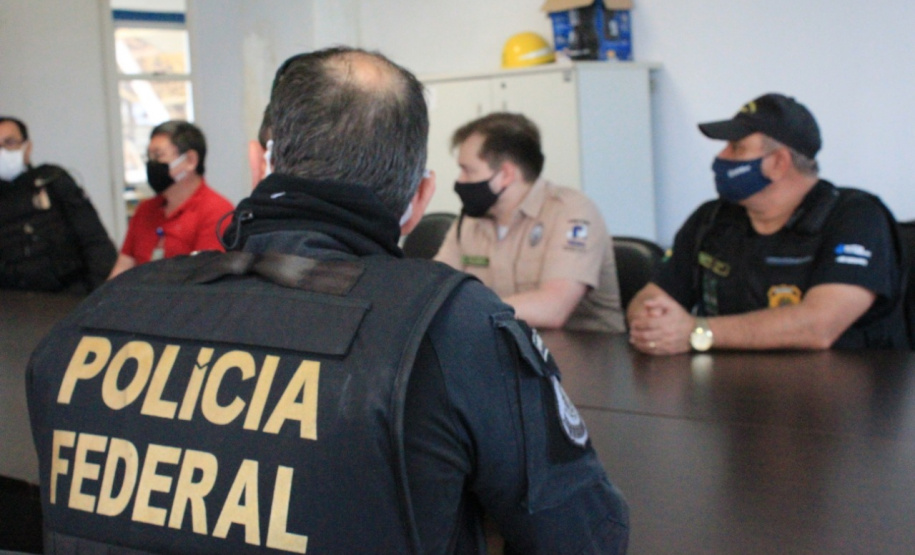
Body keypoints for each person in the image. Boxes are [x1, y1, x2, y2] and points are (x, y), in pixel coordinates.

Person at [27, 47, 629, 554]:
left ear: (259, 162)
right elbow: (588, 536)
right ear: (418, 201)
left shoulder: (100, 313)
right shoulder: (449, 326)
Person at [627, 92, 907, 355]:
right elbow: (653, 295)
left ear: (778, 163)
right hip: (726, 392)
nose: (721, 157)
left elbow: (819, 326)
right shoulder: (711, 218)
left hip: (847, 398)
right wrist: (651, 320)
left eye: (736, 147)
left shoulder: (856, 217)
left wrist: (697, 331)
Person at [434, 113, 625, 333]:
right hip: (508, 349)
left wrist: (468, 312)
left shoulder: (571, 211)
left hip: (586, 354)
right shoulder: (470, 221)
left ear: (505, 174)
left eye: (468, 170)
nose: (460, 180)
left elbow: (553, 308)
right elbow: (439, 289)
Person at [0, 116, 117, 293]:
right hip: (14, 304)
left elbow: (94, 240)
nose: (3, 152)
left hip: (69, 295)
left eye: (9, 143)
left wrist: (96, 293)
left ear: (27, 147)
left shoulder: (53, 181)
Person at [108, 120, 233, 278]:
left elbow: (205, 281)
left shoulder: (216, 211)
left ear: (190, 160)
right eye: (149, 157)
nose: (152, 164)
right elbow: (121, 270)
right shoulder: (145, 210)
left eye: (158, 155)